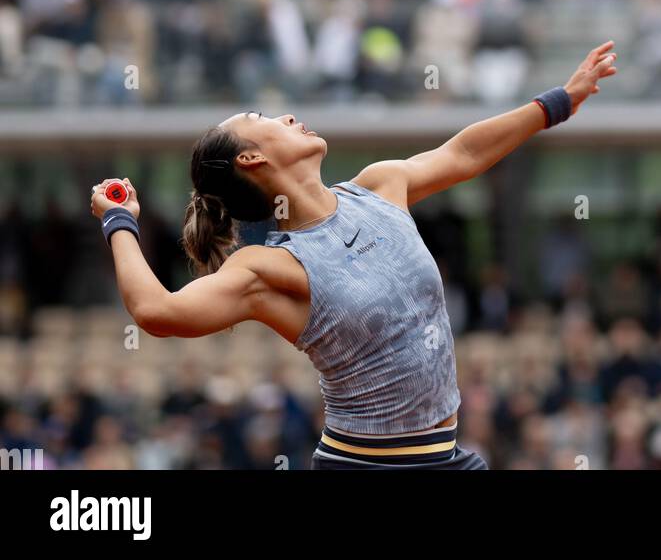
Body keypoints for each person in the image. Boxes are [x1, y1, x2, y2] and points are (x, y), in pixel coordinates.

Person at [91, 42, 618, 470]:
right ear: (251, 158)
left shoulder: (379, 186)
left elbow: (464, 153)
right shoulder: (269, 267)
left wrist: (559, 102)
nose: (289, 115)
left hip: (445, 458)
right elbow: (155, 313)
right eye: (264, 117)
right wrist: (120, 220)